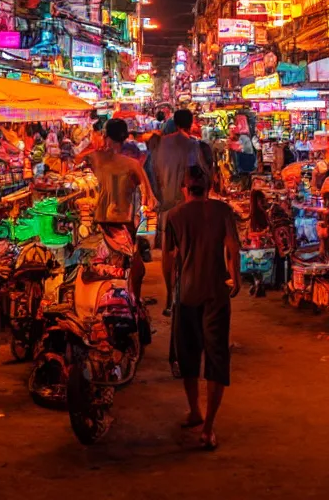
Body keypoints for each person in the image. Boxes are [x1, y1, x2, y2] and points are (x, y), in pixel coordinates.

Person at [162, 166, 240, 450]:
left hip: (187, 294)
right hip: (216, 293)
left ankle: (195, 409)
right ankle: (208, 426)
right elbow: (232, 247)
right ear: (208, 187)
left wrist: (170, 293)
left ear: (185, 188)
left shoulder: (175, 216)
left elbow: (168, 261)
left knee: (189, 355)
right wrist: (237, 277)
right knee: (216, 358)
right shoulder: (223, 212)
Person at [88, 119, 155, 299]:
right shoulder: (132, 164)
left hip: (106, 223)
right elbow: (150, 199)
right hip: (122, 222)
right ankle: (132, 303)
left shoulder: (95, 158)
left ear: (106, 137)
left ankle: (127, 303)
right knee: (133, 270)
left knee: (124, 269)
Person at [150, 109, 216, 253]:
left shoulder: (161, 144)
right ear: (191, 123)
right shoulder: (194, 145)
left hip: (165, 204)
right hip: (186, 205)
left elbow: (153, 172)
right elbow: (194, 172)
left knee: (168, 249)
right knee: (186, 248)